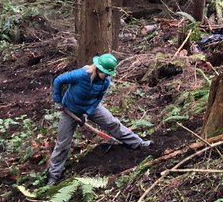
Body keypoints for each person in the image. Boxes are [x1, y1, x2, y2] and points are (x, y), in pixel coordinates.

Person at [46, 53, 152, 185]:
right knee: (63, 143)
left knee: (113, 123)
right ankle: (54, 175)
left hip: (92, 107)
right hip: (70, 110)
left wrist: (87, 113)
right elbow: (58, 80)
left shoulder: (105, 82)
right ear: (98, 69)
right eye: (106, 73)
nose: (107, 77)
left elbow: (98, 99)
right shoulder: (81, 74)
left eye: (109, 74)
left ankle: (138, 143)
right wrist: (57, 101)